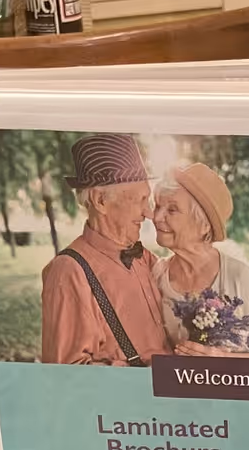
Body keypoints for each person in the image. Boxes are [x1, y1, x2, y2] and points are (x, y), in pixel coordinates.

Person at [39, 134, 169, 366]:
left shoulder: (145, 259)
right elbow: (66, 376)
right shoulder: (68, 272)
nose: (149, 213)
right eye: (140, 199)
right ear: (100, 201)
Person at [152, 163, 249, 360]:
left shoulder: (240, 278)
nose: (157, 217)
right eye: (157, 206)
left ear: (203, 225)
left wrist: (221, 359)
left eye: (172, 210)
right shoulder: (157, 275)